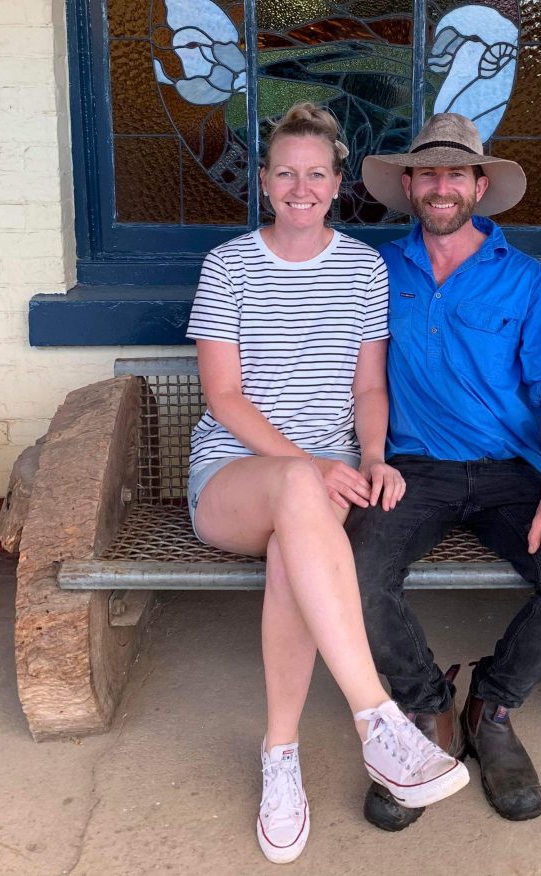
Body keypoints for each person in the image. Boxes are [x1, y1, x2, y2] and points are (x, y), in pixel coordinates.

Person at [184, 103, 469, 864]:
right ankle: (376, 717)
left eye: (316, 174)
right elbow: (225, 399)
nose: (300, 188)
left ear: (338, 184)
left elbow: (369, 387)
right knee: (294, 491)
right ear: (264, 182)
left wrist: (373, 456)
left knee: (295, 549)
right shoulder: (228, 266)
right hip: (234, 478)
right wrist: (308, 465)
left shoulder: (363, 270)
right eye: (286, 173)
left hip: (326, 489)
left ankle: (280, 757)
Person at [346, 112, 541, 831]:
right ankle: (428, 708)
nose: (442, 186)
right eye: (427, 173)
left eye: (455, 173)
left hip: (510, 474)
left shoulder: (524, 281)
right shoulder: (374, 271)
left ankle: (491, 708)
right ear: (408, 186)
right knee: (355, 574)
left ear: (478, 186)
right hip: (411, 470)